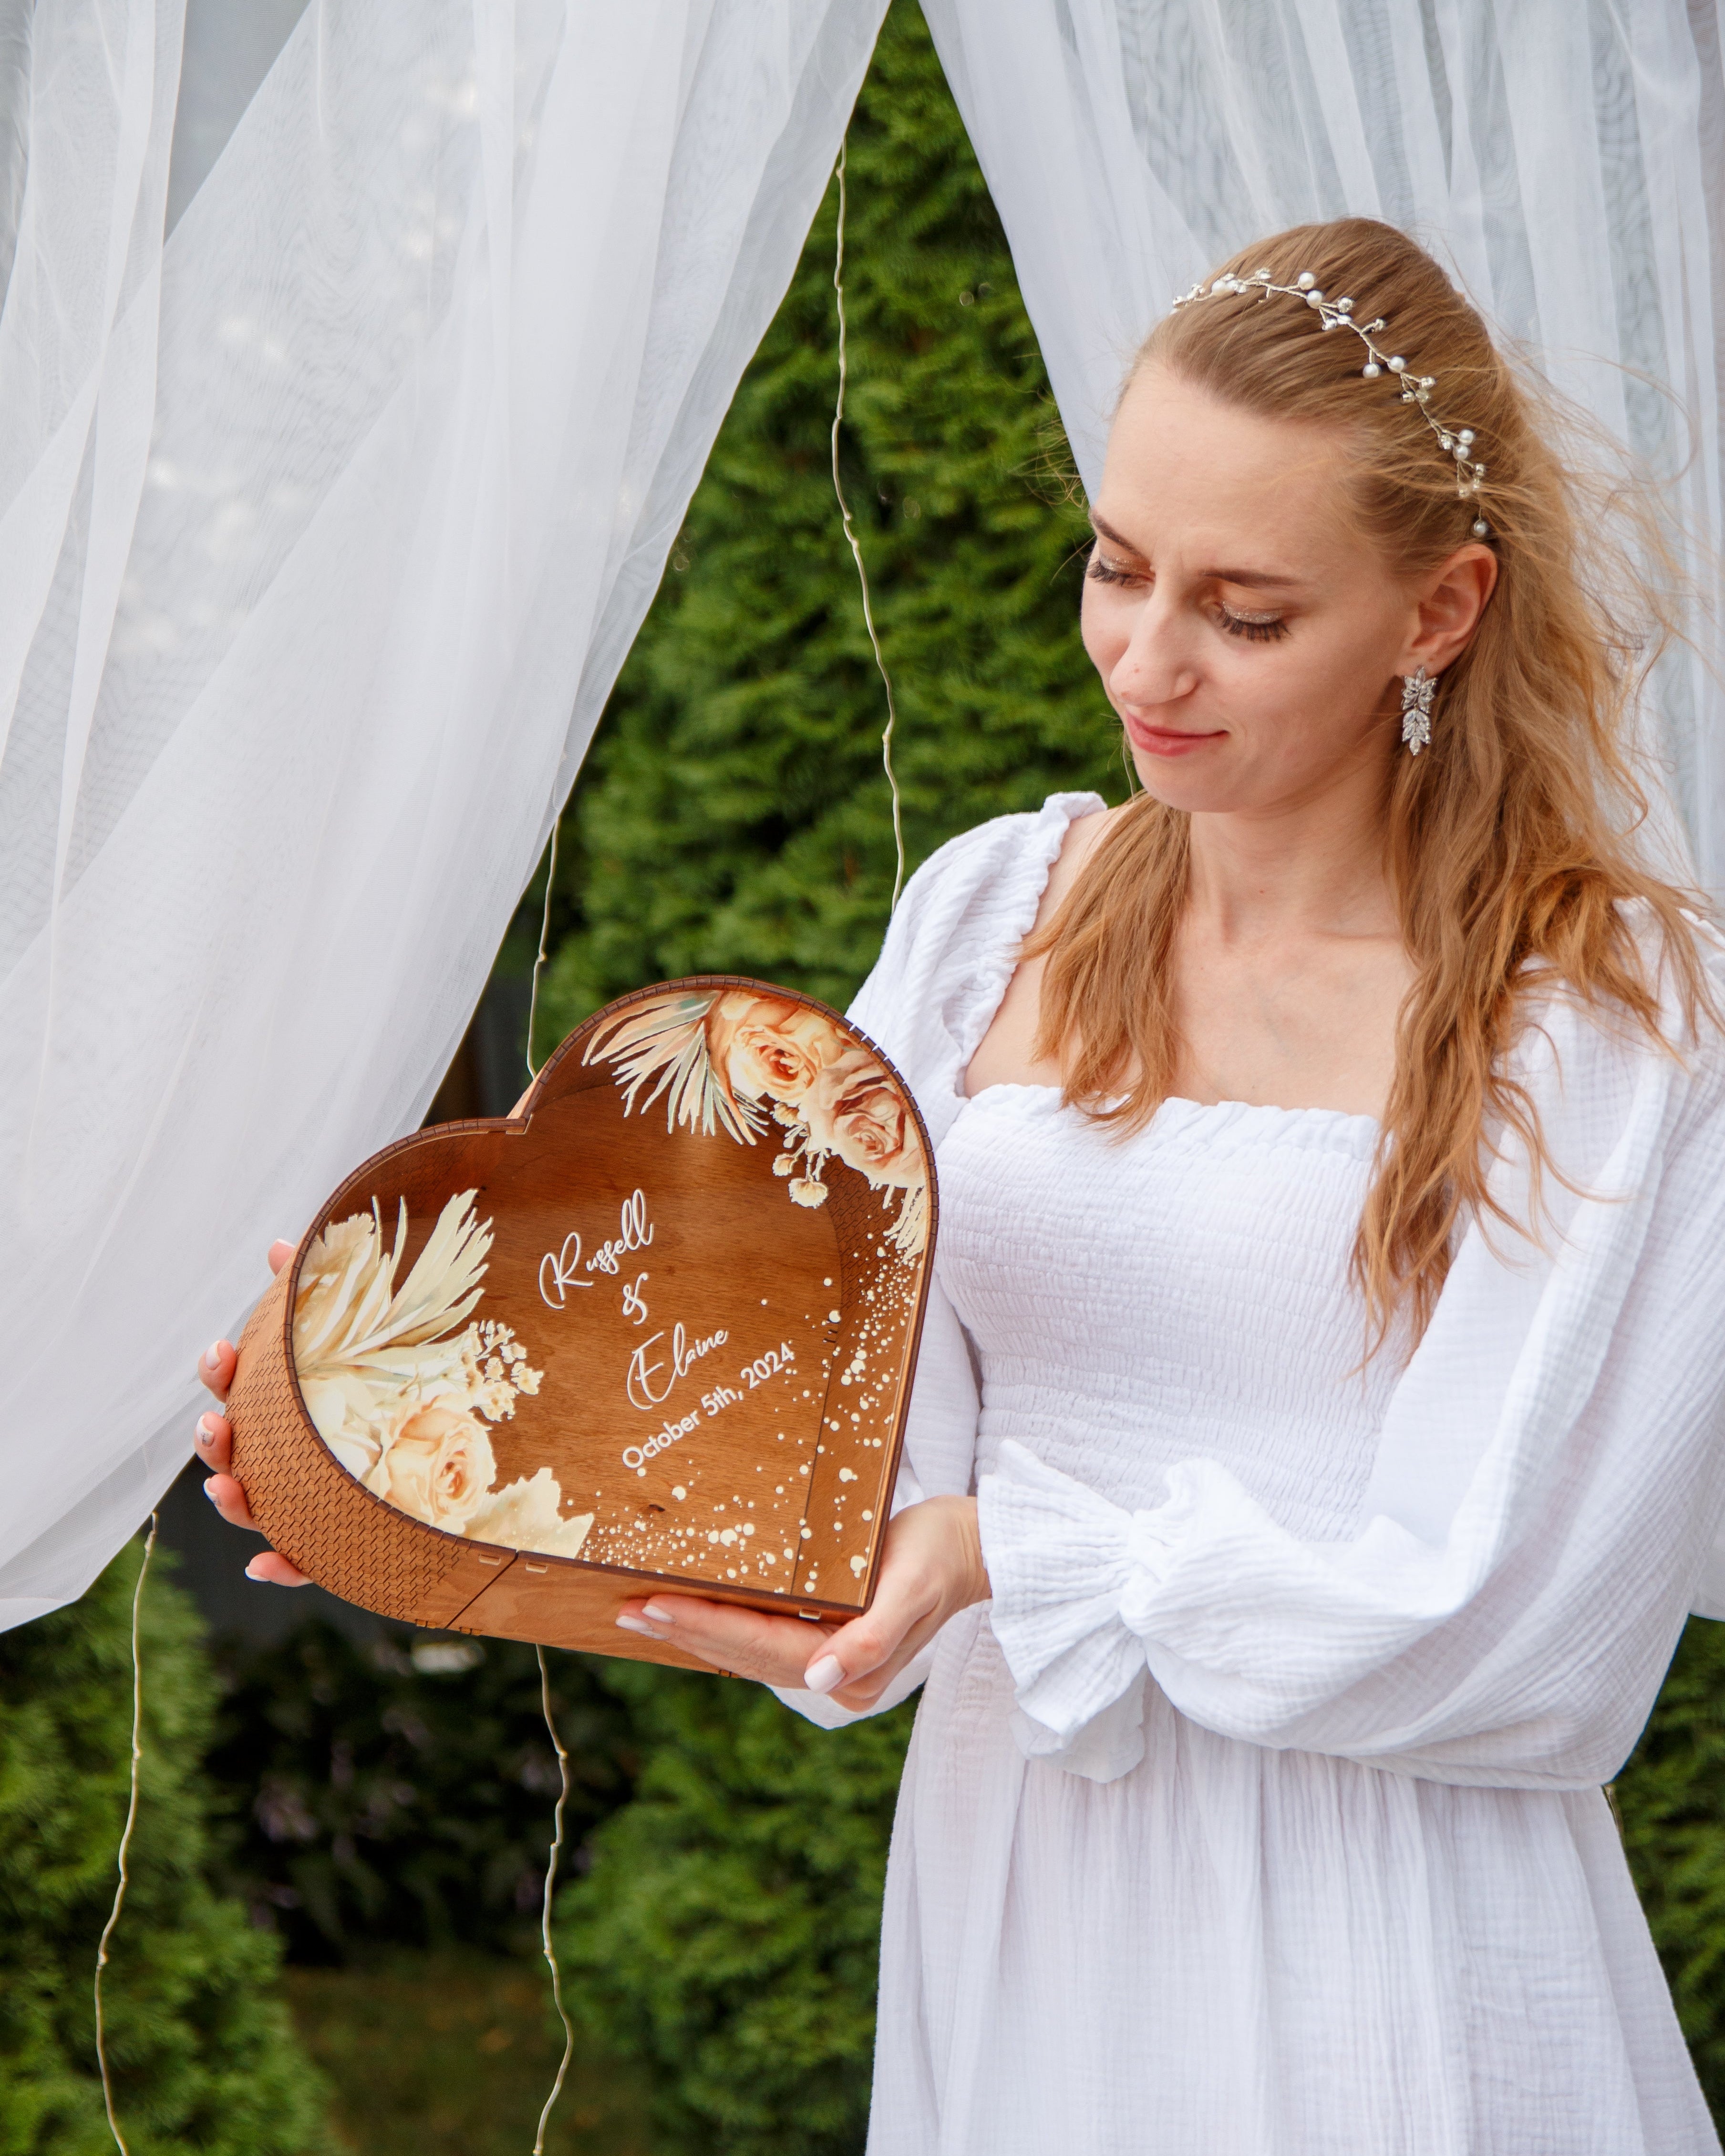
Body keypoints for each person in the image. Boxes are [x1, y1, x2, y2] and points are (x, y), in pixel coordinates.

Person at [196, 217, 1725, 2152]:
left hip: (1385, 1929)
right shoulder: (993, 916)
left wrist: (1020, 1556)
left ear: (1438, 612)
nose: (1143, 660)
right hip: (1023, 1892)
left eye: (1245, 612)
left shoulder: (1608, 1017)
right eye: (1116, 564)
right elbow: (796, 1444)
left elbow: (1519, 1635)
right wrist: (396, 1455)